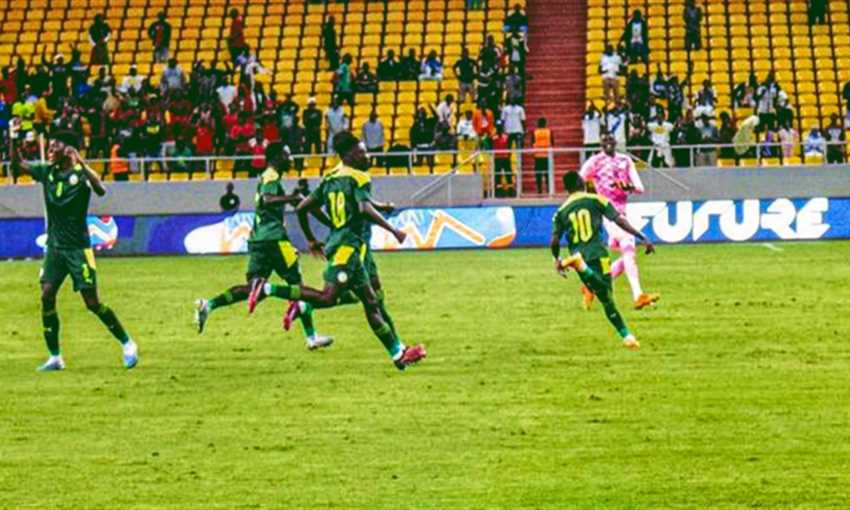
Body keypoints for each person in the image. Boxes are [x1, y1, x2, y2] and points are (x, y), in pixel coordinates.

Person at [251, 131, 426, 370]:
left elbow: (303, 208)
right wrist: (393, 230)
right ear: (350, 154)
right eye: (362, 152)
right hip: (348, 248)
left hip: (343, 245)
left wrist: (312, 239)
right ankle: (269, 290)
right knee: (331, 297)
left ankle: (398, 353)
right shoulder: (359, 177)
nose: (367, 156)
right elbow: (363, 209)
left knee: (371, 300)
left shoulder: (331, 177)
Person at [12, 132, 138, 371]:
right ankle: (55, 357)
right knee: (46, 295)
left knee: (92, 303)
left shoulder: (80, 175)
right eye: (49, 147)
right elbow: (19, 164)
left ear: (68, 150)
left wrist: (81, 162)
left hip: (78, 248)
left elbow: (100, 189)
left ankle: (127, 343)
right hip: (55, 248)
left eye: (55, 147)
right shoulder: (47, 172)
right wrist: (13, 139)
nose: (50, 151)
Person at [195, 143, 333, 350]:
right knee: (298, 287)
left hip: (259, 240)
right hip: (275, 240)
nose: (290, 159)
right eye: (287, 155)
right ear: (277, 157)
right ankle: (311, 337)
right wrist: (292, 198)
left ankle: (209, 305)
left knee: (253, 288)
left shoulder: (267, 177)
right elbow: (268, 200)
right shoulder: (271, 176)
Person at [551, 172, 656, 350]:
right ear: (582, 183)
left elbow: (554, 240)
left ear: (567, 189)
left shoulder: (561, 212)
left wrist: (556, 259)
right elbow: (619, 220)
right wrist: (641, 236)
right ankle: (627, 335)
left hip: (578, 252)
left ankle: (627, 337)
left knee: (600, 294)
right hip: (598, 254)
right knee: (606, 297)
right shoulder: (597, 200)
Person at [579, 133, 659, 310]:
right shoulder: (594, 162)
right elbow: (579, 181)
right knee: (628, 246)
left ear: (616, 142)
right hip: (608, 212)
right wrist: (589, 200)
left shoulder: (625, 160)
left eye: (611, 139)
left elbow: (640, 188)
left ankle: (591, 286)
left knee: (628, 257)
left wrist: (628, 186)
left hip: (622, 212)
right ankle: (638, 296)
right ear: (600, 143)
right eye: (605, 140)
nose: (608, 142)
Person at [491, 125, 514, 197]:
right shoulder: (494, 137)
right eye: (498, 128)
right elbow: (490, 145)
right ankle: (498, 192)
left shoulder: (506, 137)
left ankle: (510, 191)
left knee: (508, 175)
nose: (499, 129)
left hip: (505, 158)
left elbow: (509, 146)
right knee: (498, 176)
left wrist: (509, 154)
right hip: (498, 158)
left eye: (500, 128)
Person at [532, 117, 552, 194]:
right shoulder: (549, 132)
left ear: (538, 124)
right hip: (547, 155)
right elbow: (552, 143)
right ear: (545, 124)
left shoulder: (535, 132)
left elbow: (532, 143)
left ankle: (539, 190)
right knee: (547, 174)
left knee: (538, 174)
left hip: (537, 155)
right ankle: (548, 189)